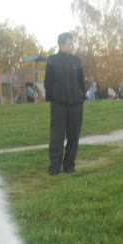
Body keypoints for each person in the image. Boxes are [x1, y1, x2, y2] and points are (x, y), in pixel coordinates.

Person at [44, 32, 86, 175]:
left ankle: (69, 165)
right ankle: (55, 166)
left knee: (74, 136)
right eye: (70, 43)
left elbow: (81, 80)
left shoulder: (77, 61)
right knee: (57, 136)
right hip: (59, 105)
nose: (73, 46)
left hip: (76, 104)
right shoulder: (52, 60)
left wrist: (81, 96)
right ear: (61, 45)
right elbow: (48, 81)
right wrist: (52, 98)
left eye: (73, 43)